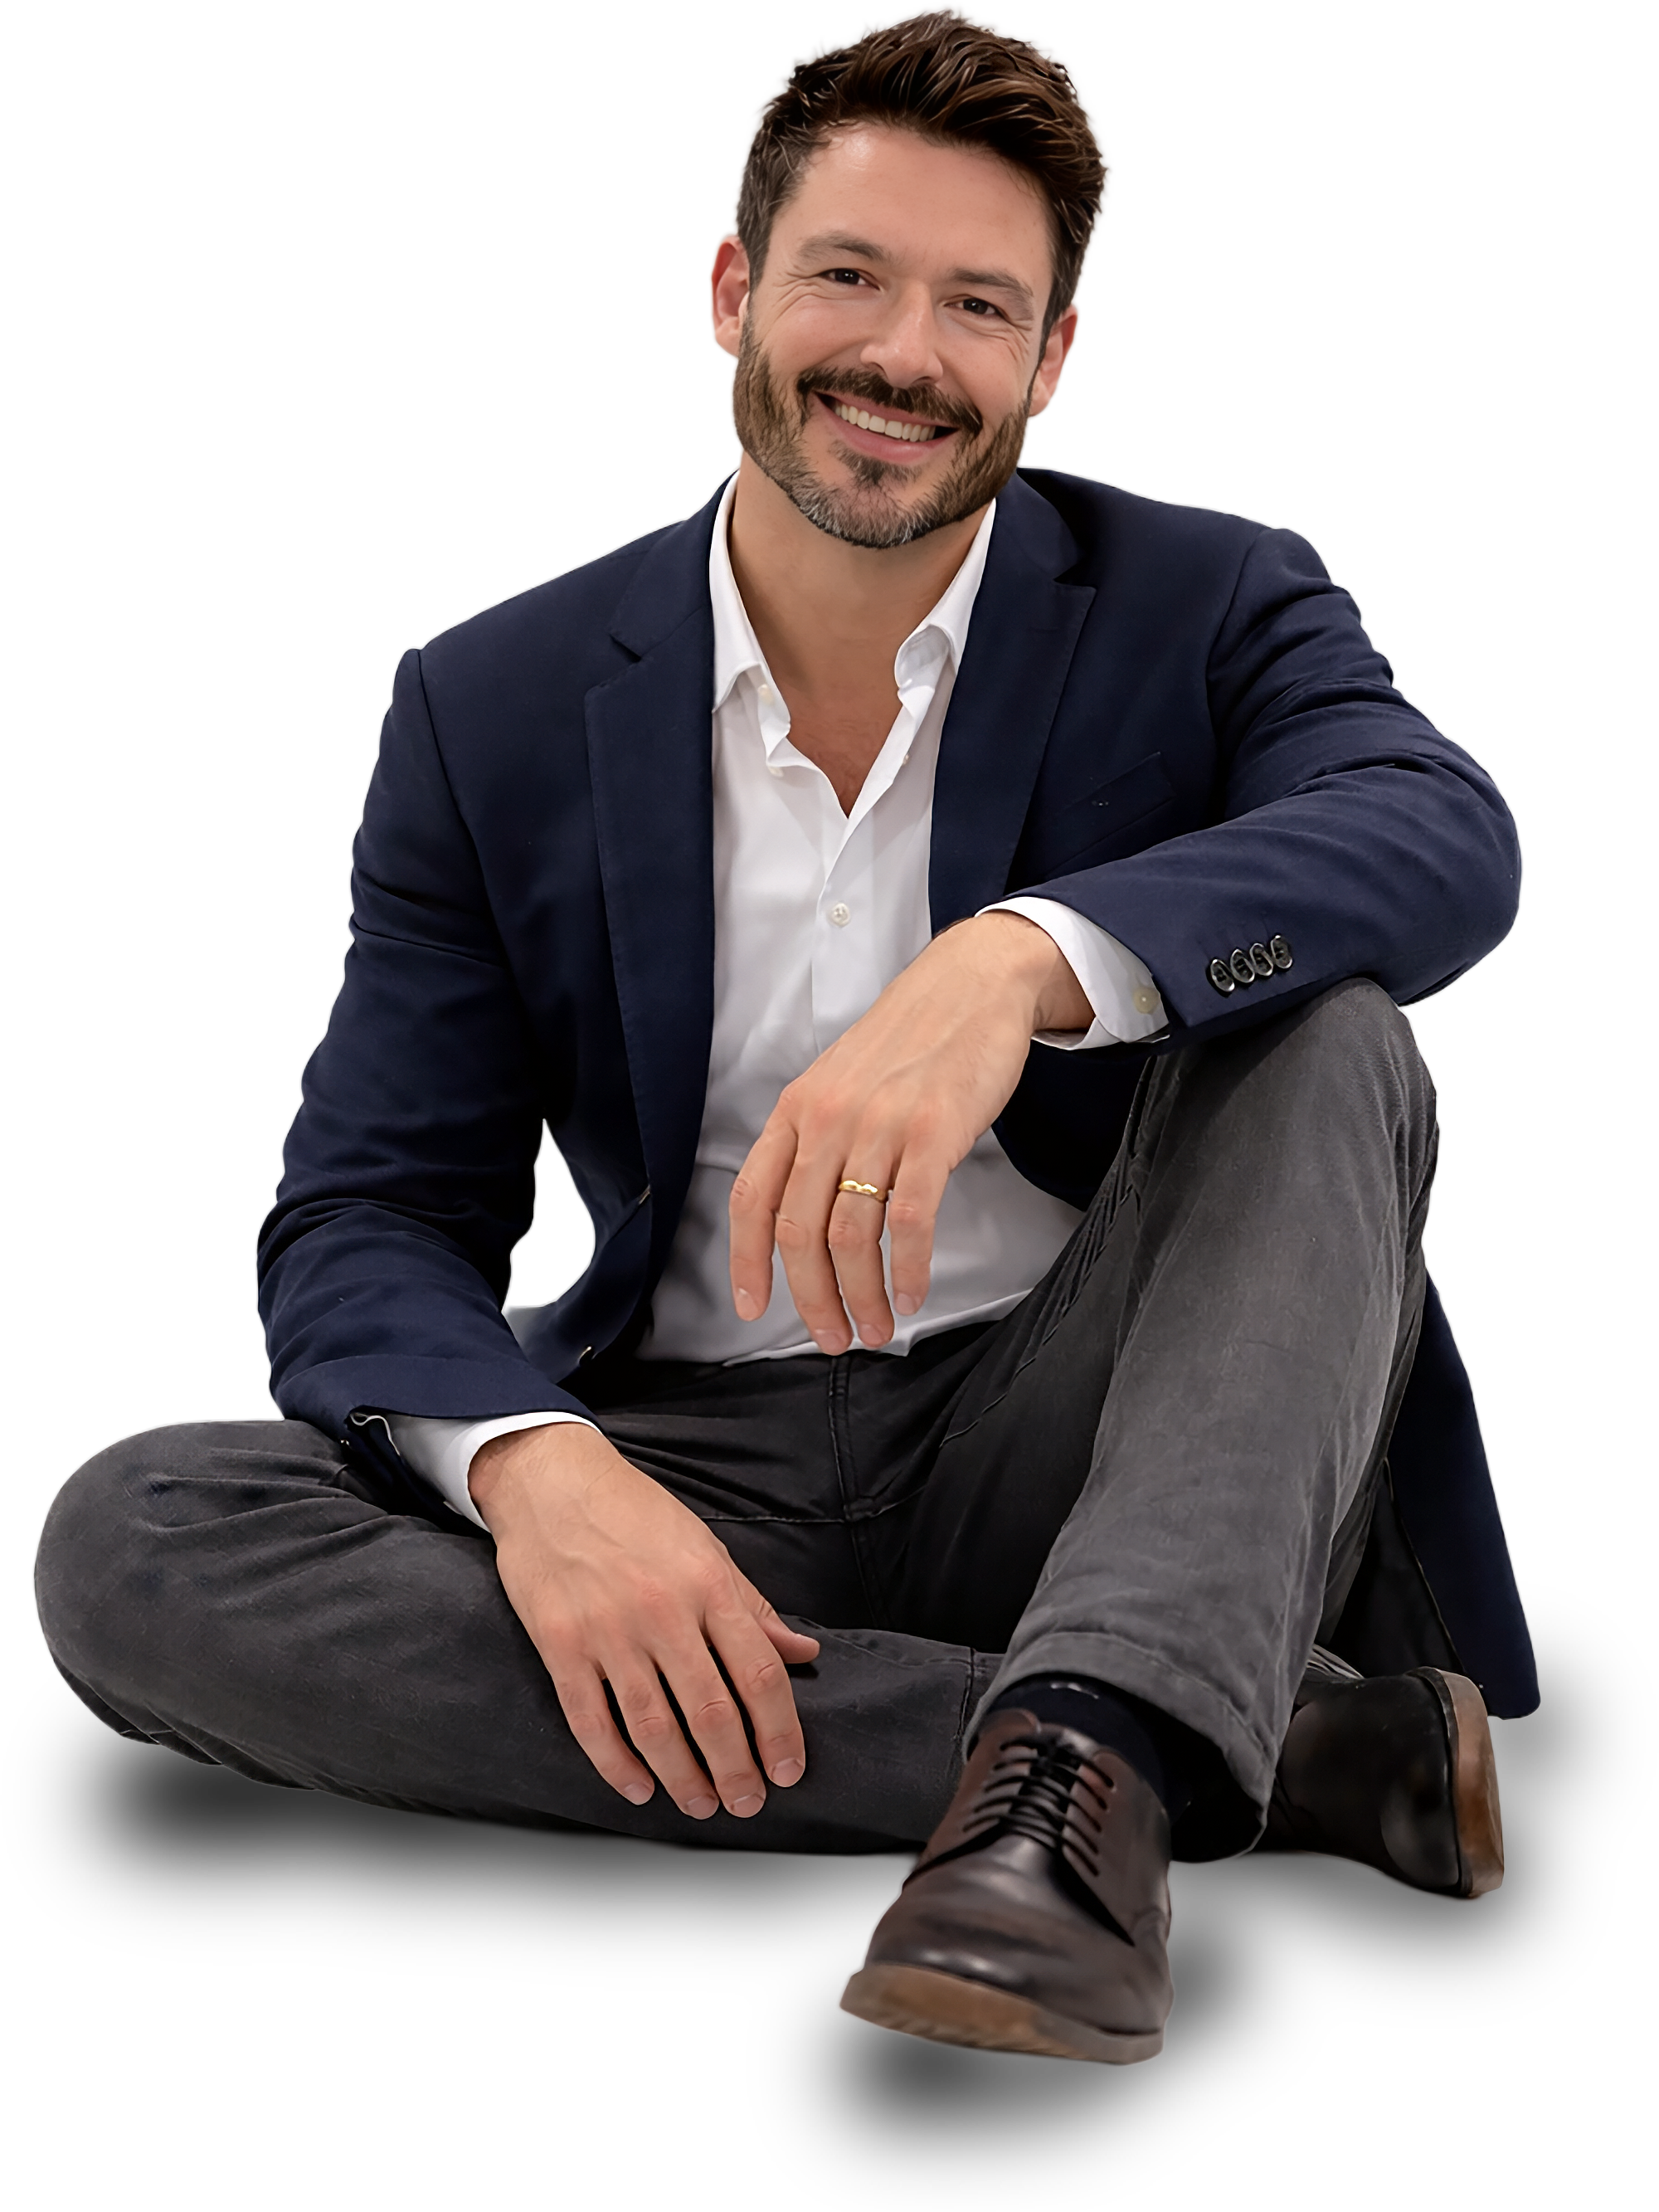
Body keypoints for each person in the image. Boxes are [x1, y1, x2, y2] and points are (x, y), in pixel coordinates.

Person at [32, 11, 1537, 2068]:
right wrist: (543, 1475)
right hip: (695, 1476)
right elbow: (369, 1217)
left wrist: (1015, 962)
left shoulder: (1212, 601)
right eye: (848, 276)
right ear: (736, 294)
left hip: (1100, 1447)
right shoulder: (491, 704)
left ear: (1051, 358)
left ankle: (1096, 1729)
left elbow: (1440, 833)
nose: (902, 353)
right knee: (133, 1538)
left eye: (978, 306)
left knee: (1337, 1037)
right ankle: (1192, 1748)